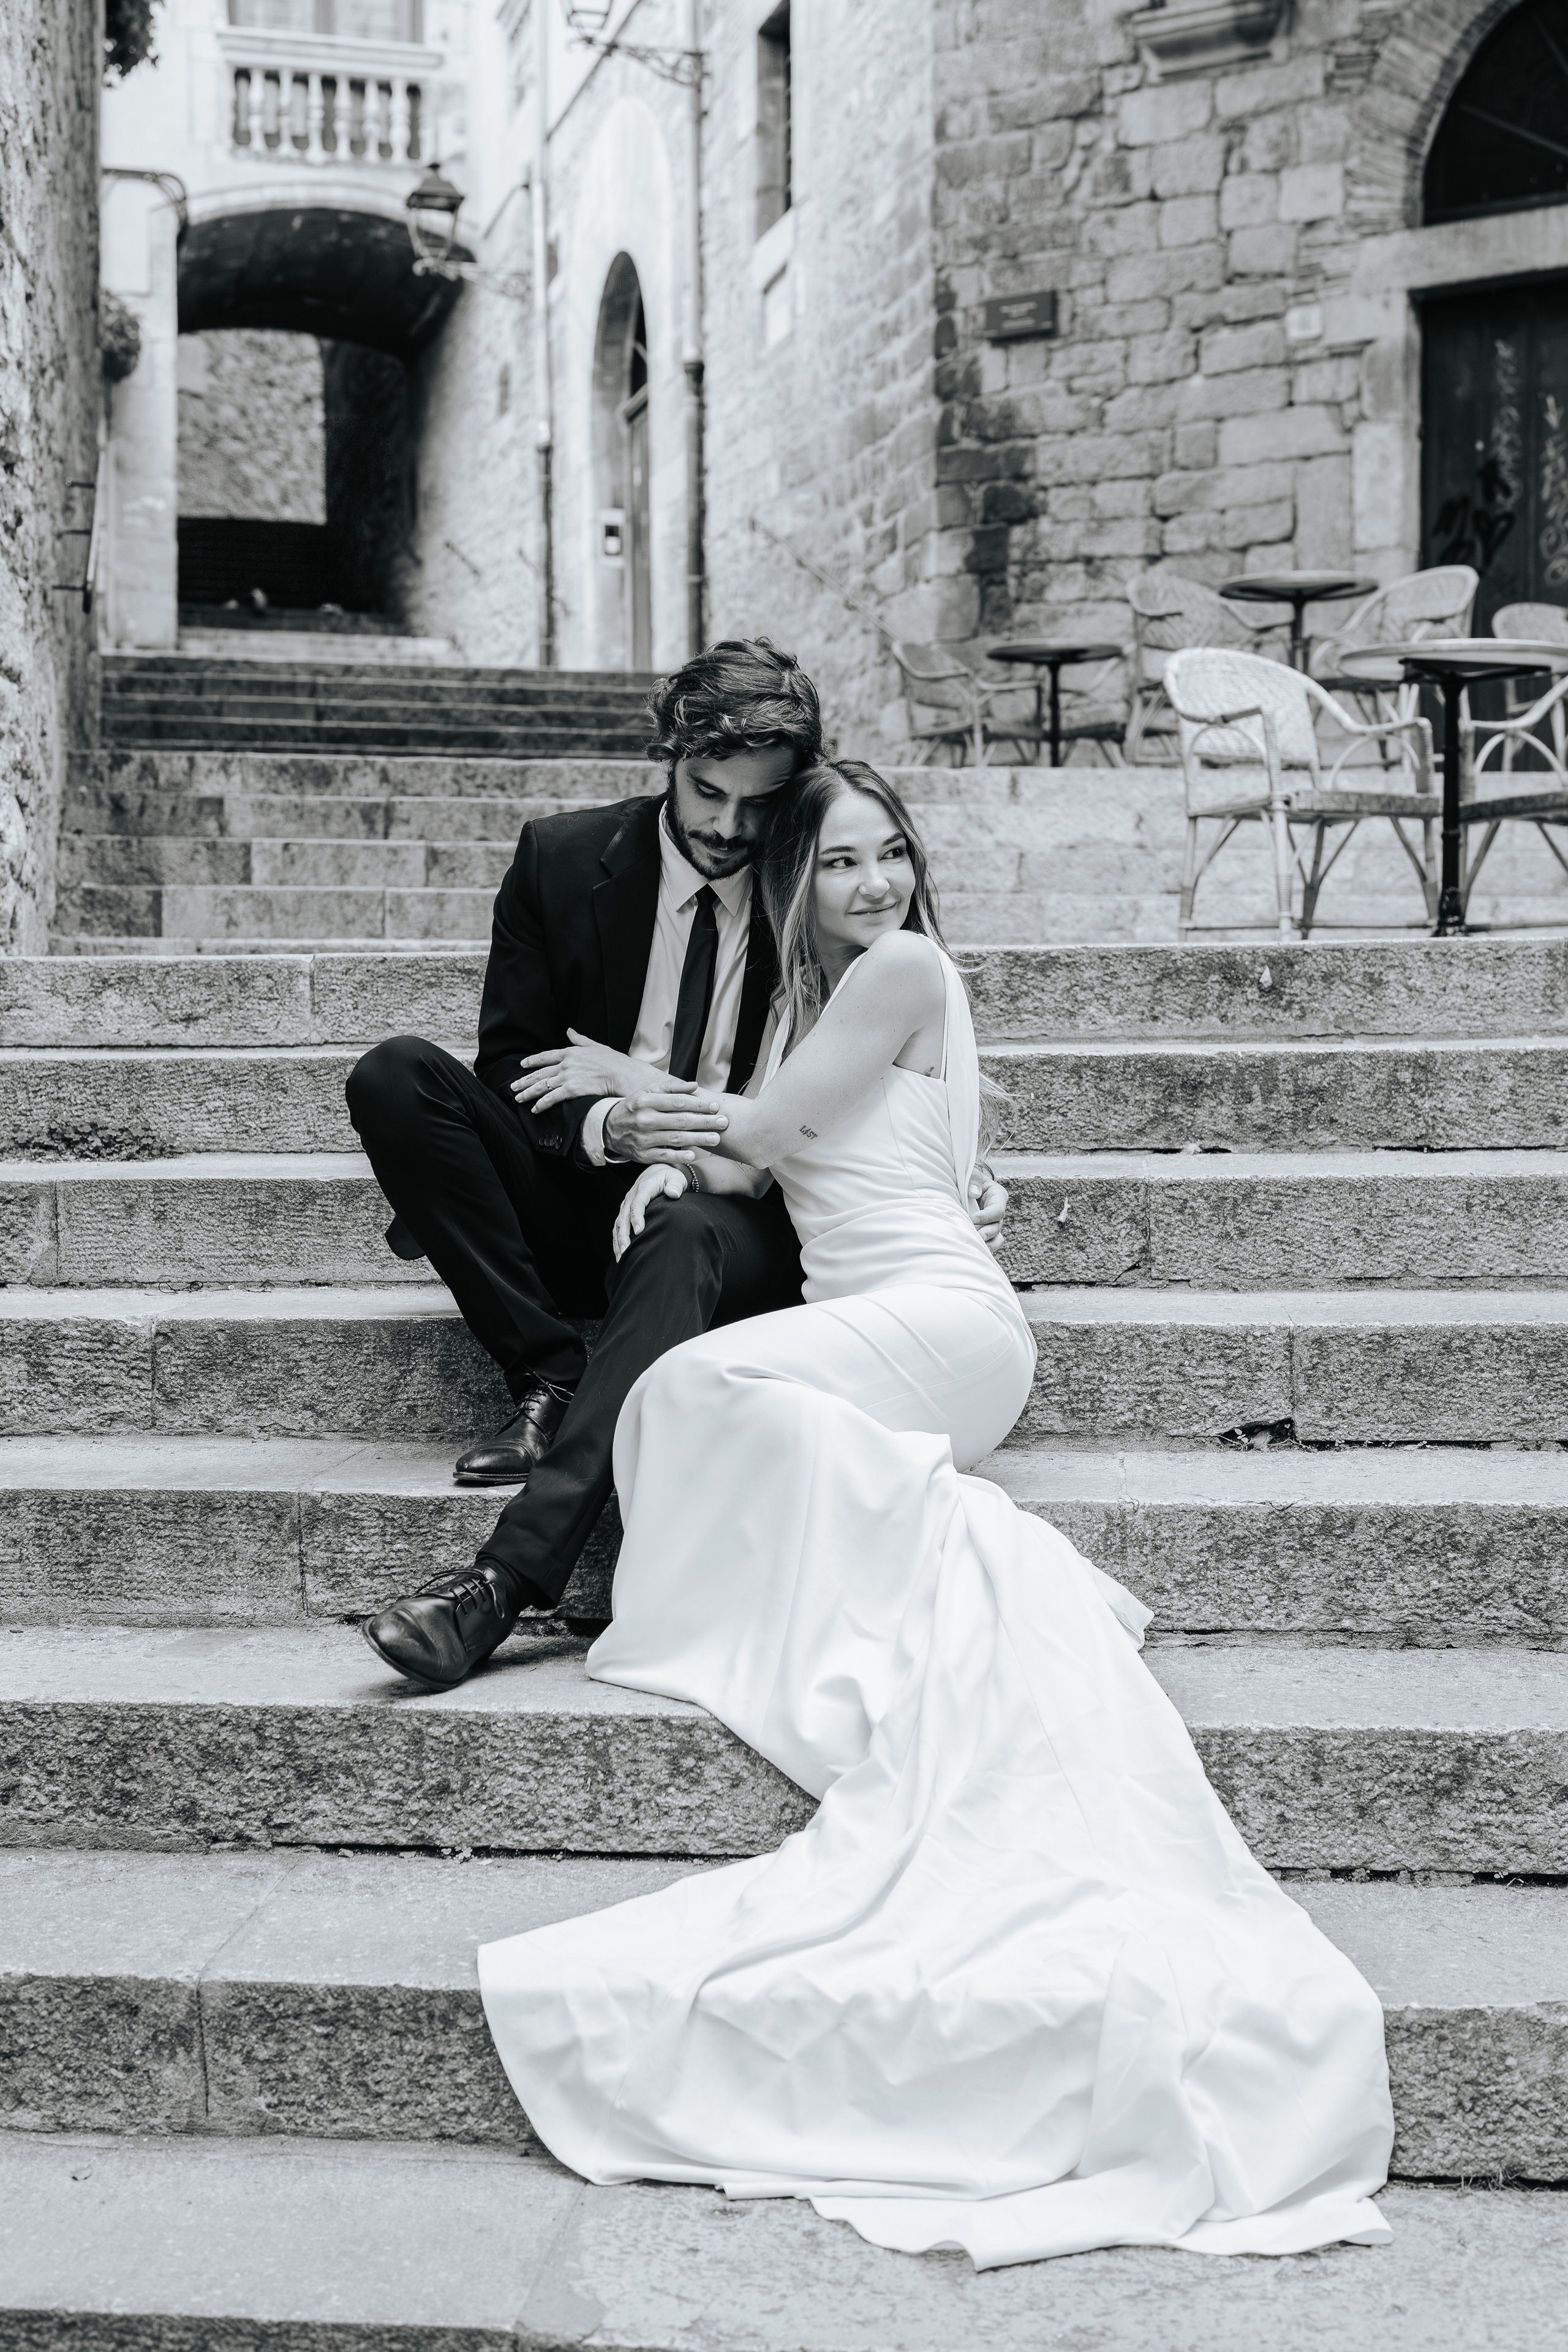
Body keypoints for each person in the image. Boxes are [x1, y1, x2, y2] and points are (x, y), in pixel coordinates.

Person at [476, 759, 1395, 2269]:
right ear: (795, 878)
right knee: (697, 1399)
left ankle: (758, 1621)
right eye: (841, 861)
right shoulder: (818, 1004)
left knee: (692, 1392)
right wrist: (676, 1174)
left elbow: (765, 1136)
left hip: (942, 1324)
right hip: (878, 1321)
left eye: (889, 852)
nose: (875, 884)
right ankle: (857, 1598)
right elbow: (765, 1151)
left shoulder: (899, 969)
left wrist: (622, 1091)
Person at [347, 640, 1009, 1688]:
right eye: (708, 792)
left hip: (723, 1220)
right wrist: (615, 1126)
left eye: (761, 804)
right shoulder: (561, 860)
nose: (730, 826)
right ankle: (550, 1373)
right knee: (395, 1076)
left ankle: (504, 1581)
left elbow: (825, 1105)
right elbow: (513, 1067)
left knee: (684, 1223)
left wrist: (952, 1166)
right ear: (669, 759)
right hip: (585, 1190)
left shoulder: (812, 905)